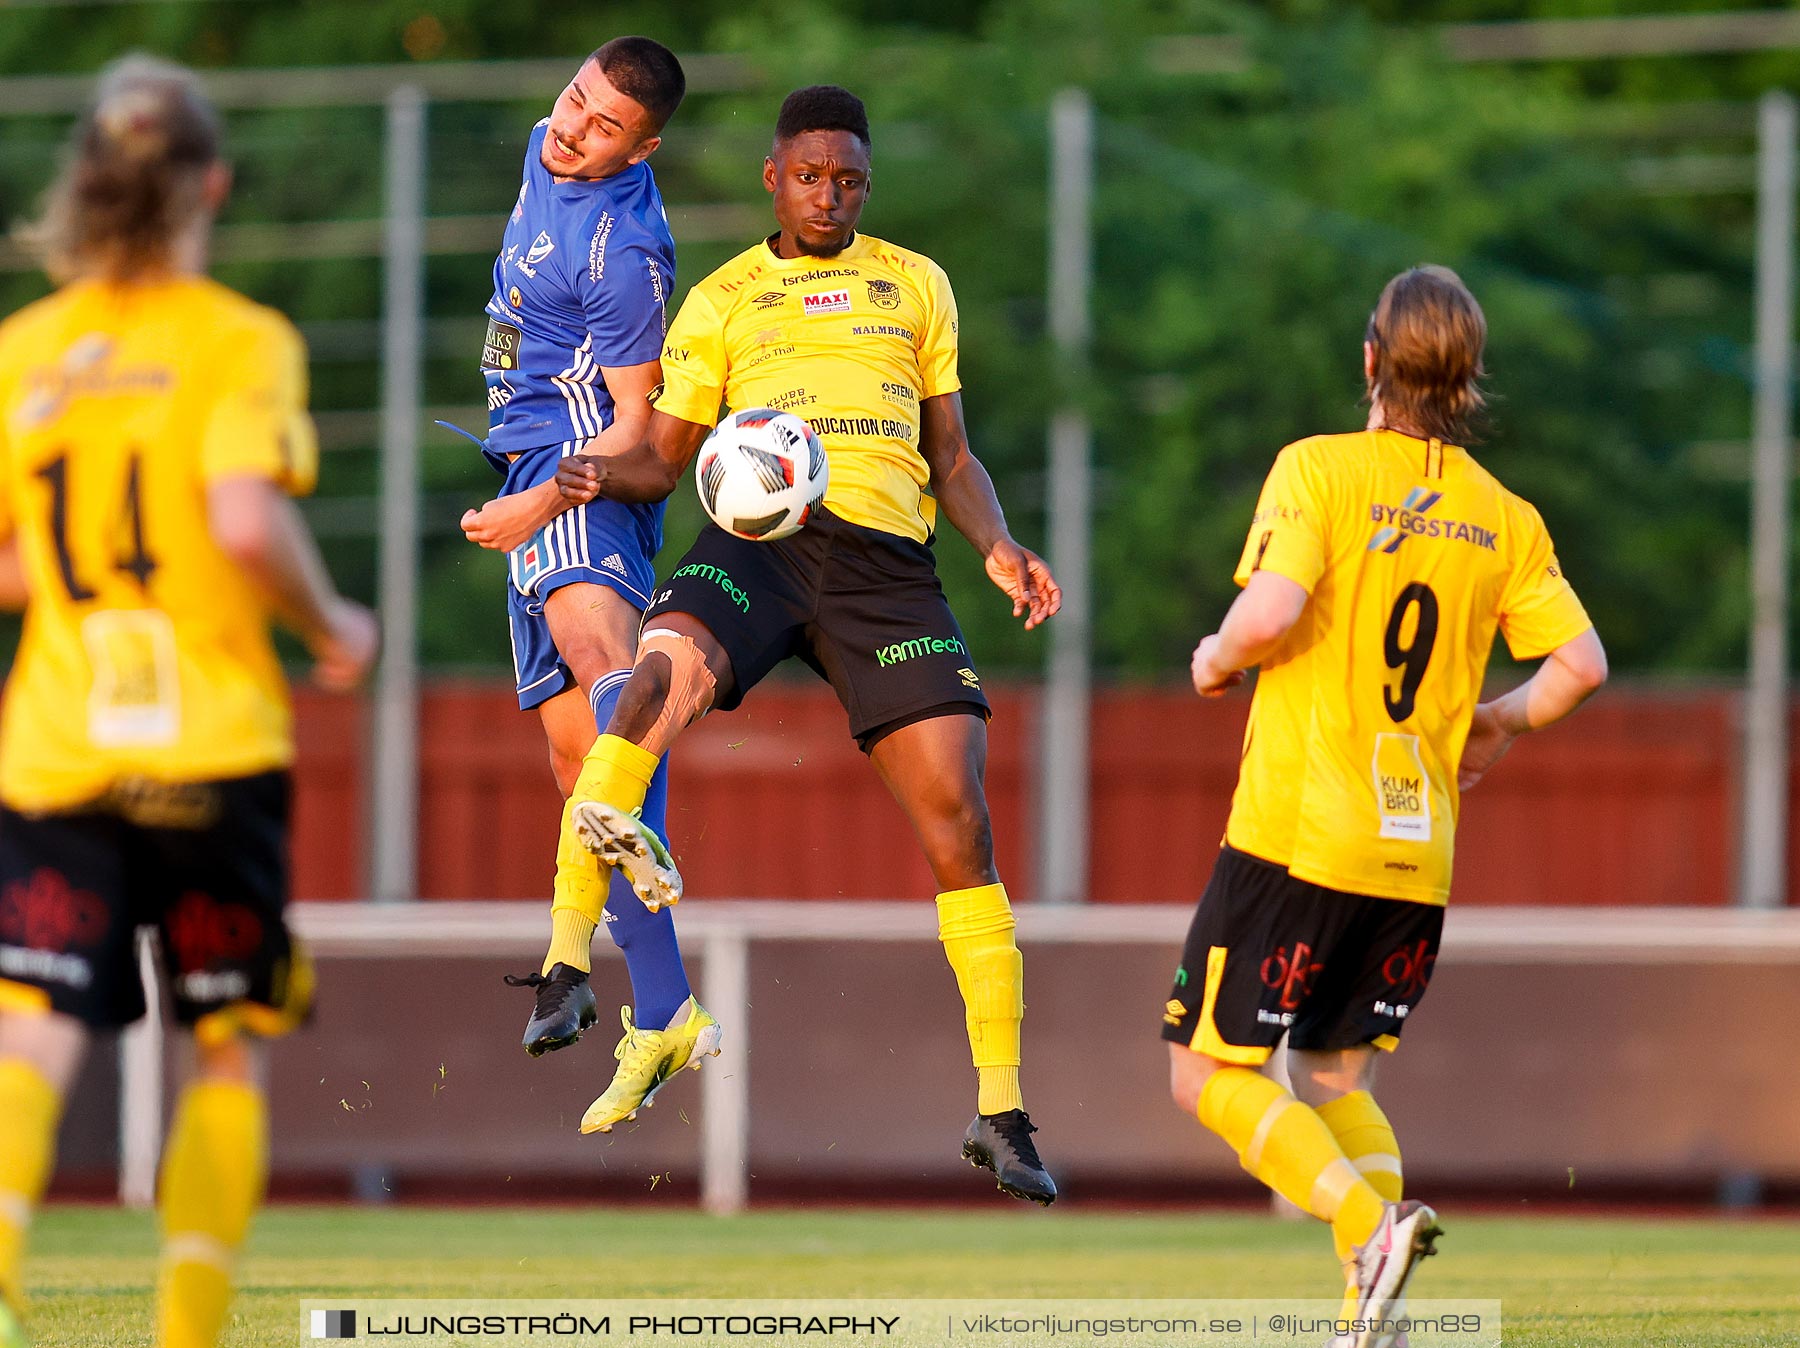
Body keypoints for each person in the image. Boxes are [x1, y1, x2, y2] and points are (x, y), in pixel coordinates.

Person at [545, 85, 1062, 1201]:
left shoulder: (916, 283)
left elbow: (954, 454)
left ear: (866, 186)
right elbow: (664, 453)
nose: (831, 194)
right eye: (812, 176)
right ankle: (562, 965)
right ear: (774, 176)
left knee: (960, 822)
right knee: (639, 693)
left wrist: (1002, 545)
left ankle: (1003, 1110)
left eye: (851, 180)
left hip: (885, 570)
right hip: (756, 548)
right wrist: (592, 467)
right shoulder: (724, 297)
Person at [0, 56, 378, 1348]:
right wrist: (334, 627)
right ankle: (186, 1327)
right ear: (213, 181)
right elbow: (240, 517)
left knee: (34, 1022)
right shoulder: (238, 341)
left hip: (56, 752)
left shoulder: (26, 351)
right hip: (215, 748)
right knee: (226, 1037)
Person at [1164, 266, 1607, 1346]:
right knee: (1329, 1073)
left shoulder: (1318, 470)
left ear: (1370, 358)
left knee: (1202, 1072)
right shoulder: (1504, 515)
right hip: (1417, 849)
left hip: (1300, 834)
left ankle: (1370, 1229)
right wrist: (1498, 721)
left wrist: (1217, 657)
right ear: (1467, 379)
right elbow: (1582, 663)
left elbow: (1269, 612)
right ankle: (1380, 1312)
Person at [456, 38, 722, 1103]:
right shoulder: (544, 149)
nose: (572, 126)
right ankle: (662, 1009)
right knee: (583, 777)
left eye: (603, 124)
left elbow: (645, 442)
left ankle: (641, 788)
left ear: (642, 147)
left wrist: (542, 493)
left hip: (575, 484)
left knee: (598, 654)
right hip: (530, 475)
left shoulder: (622, 251)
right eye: (574, 98)